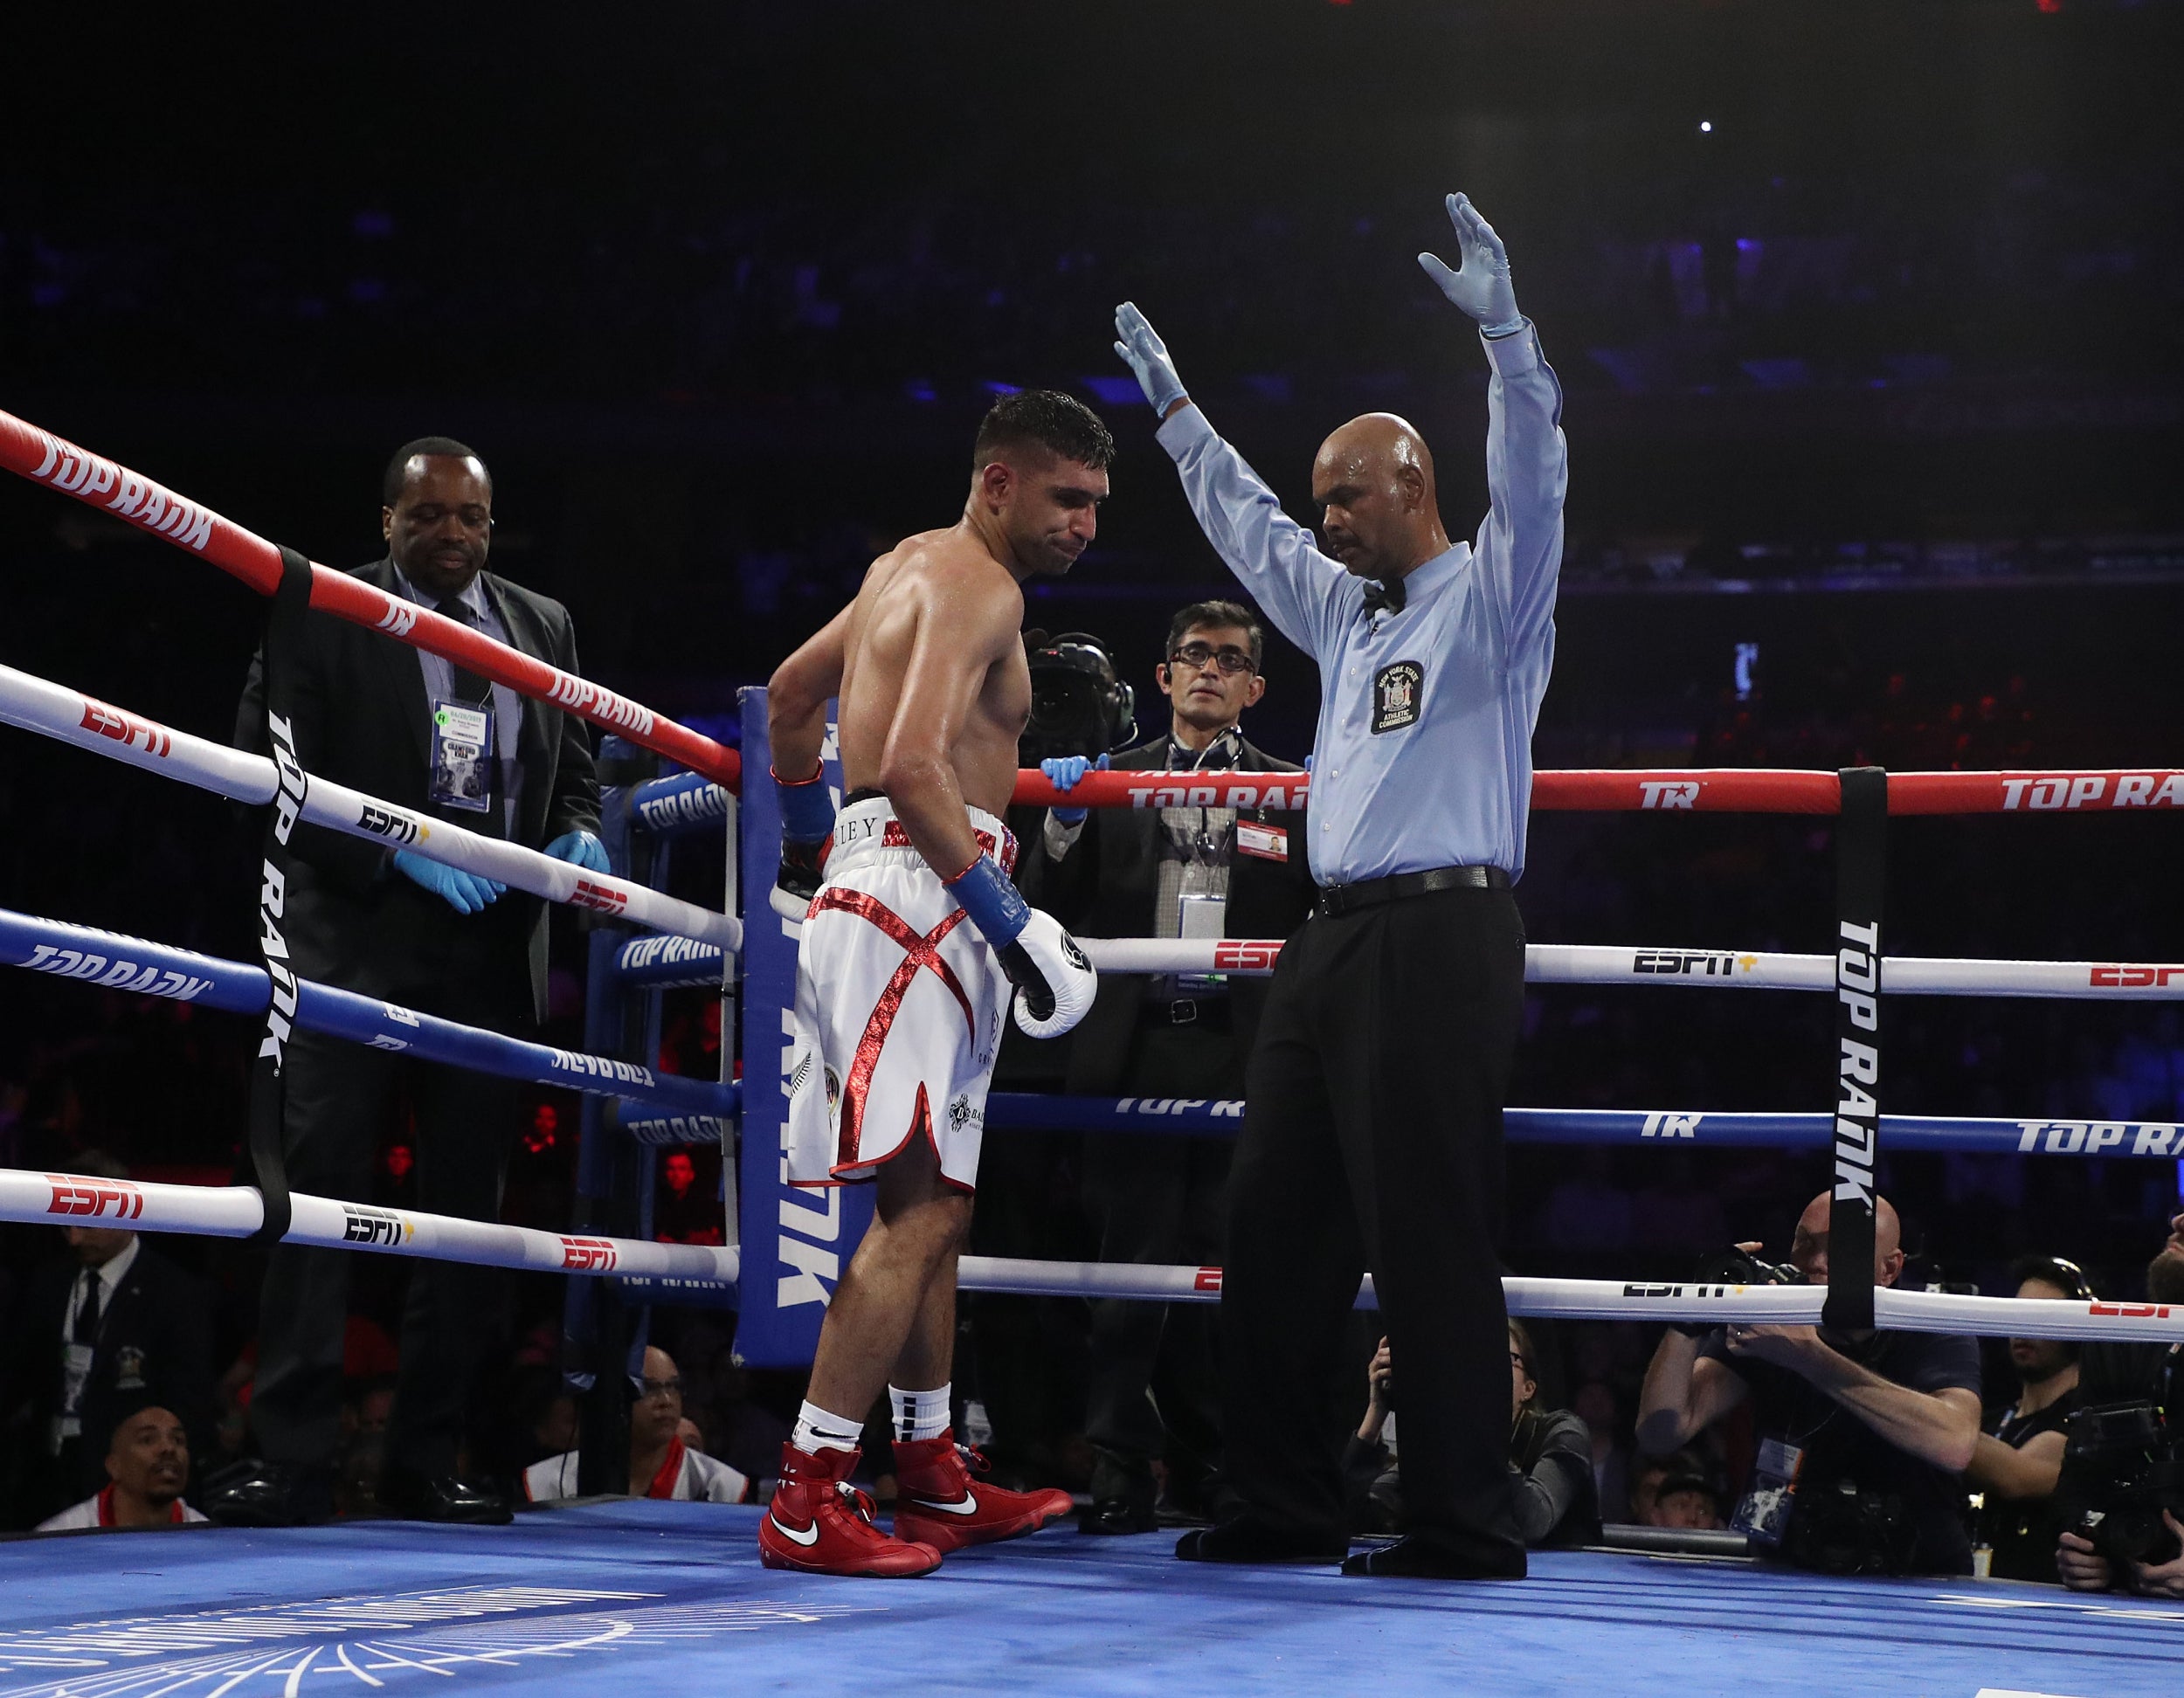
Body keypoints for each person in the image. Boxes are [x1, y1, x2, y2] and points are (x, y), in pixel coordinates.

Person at [1111, 191, 1566, 1579]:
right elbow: (1248, 533)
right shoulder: (1343, 611)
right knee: (1277, 1225)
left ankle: (1460, 1521)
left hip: (1444, 931)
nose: (1328, 522)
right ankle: (1284, 1500)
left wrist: (1506, 340)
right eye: (1325, 505)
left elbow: (1537, 473)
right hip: (1328, 944)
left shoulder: (1496, 593)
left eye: (1346, 498)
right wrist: (1178, 415)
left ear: (1411, 483)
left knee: (1426, 1228)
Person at [223, 438, 607, 1528]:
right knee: (314, 1196)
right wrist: (390, 848)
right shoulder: (328, 607)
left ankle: (427, 1459)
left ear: (493, 525)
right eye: (428, 516)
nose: (451, 535)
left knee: (463, 1223)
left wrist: (578, 836)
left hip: (491, 956)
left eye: (470, 519)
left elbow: (575, 774)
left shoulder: (543, 626)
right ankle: (290, 1459)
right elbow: (265, 766)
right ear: (386, 520)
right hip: (357, 939)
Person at [758, 390, 1109, 1577]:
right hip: (929, 896)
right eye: (1069, 498)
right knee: (920, 1215)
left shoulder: (895, 570)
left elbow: (792, 699)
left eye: (1099, 506)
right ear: (1000, 483)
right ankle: (807, 1499)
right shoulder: (979, 582)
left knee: (938, 1206)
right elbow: (911, 765)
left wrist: (820, 849)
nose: (1085, 526)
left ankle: (933, 1480)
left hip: (894, 887)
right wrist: (1017, 924)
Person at [1024, 599, 1317, 1534]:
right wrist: (1066, 815)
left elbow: (1320, 911)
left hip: (1243, 1049)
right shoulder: (1111, 780)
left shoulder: (1294, 789)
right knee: (1130, 1267)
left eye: (1229, 660)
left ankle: (1227, 1469)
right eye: (1193, 654)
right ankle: (1119, 1469)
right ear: (1163, 675)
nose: (1208, 670)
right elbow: (1043, 903)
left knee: (1237, 1269)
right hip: (1136, 1040)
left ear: (1253, 687)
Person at [1635, 1192, 1982, 1576]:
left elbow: (1955, 1443)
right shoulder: (1767, 1325)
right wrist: (1690, 1314)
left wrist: (1808, 1357)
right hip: (1788, 1568)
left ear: (1890, 1268)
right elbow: (1660, 1432)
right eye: (1806, 1244)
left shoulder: (1930, 1326)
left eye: (1839, 1249)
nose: (1817, 1263)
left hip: (1918, 1575)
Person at [1, 1150, 213, 1525]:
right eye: (64, 1226)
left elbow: (187, 1404)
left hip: (128, 1487)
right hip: (47, 1474)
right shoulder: (48, 1283)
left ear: (124, 1212)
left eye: (84, 1224)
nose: (74, 1238)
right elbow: (17, 1378)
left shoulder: (174, 1294)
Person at [1344, 1323, 1596, 1548]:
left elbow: (1533, 1522)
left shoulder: (1564, 1433)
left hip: (1562, 1593)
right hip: (1478, 1591)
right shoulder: (1449, 1441)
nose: (1483, 1370)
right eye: (1473, 1358)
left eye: (1501, 1357)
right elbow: (1356, 1515)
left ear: (1528, 1389)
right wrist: (1377, 1410)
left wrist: (1474, 1421)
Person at [2055, 1208, 2184, 1599]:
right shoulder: (2121, 1347)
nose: (2177, 1222)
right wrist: (2087, 1551)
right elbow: (2076, 1484)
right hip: (2125, 1609)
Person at [1966, 1256, 2089, 1582]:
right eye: (2019, 1314)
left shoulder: (2085, 1421)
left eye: (2041, 1316)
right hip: (1972, 1596)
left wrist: (1928, 1418)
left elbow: (2015, 1476)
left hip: (2040, 1606)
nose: (2024, 1327)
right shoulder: (1991, 1419)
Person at [523, 1347, 750, 1504]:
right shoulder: (549, 1483)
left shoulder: (721, 1485)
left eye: (673, 1387)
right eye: (649, 1389)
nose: (666, 1401)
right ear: (615, 1399)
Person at [36, 1405, 209, 1532]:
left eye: (178, 1440)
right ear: (114, 1466)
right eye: (148, 1439)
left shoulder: (208, 1539)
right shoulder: (59, 1538)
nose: (168, 1449)